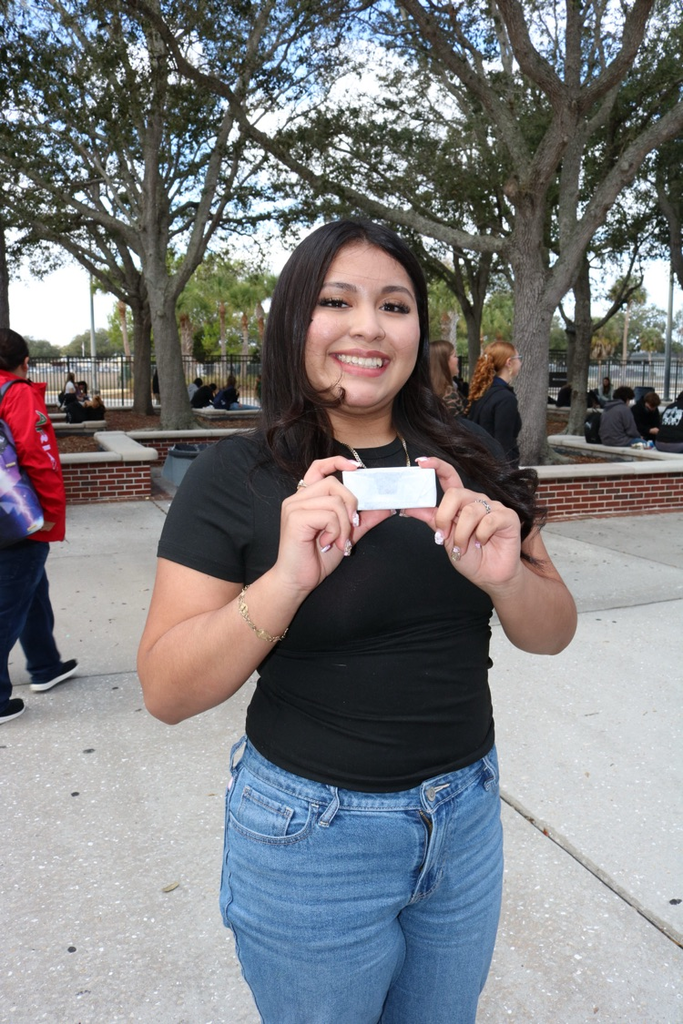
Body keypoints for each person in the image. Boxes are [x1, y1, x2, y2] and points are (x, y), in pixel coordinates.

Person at [137, 220, 576, 1024]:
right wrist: (285, 581)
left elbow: (550, 630)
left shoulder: (471, 454)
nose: (369, 326)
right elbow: (165, 689)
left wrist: (507, 576)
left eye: (395, 305)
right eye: (337, 301)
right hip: (310, 838)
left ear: (419, 330)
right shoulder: (236, 475)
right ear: (294, 320)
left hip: (466, 814)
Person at [0, 328, 78, 724]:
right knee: (8, 603)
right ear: (25, 362)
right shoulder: (16, 393)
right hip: (15, 516)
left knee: (30, 588)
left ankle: (46, 665)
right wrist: (48, 512)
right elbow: (36, 454)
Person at [466, 340, 523, 466]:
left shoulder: (483, 391)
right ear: (509, 362)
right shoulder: (505, 398)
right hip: (496, 470)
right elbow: (503, 445)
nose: (520, 362)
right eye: (519, 358)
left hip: (480, 464)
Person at [429, 339, 465, 416]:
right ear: (443, 361)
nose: (457, 359)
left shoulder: (429, 390)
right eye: (454, 356)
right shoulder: (447, 394)